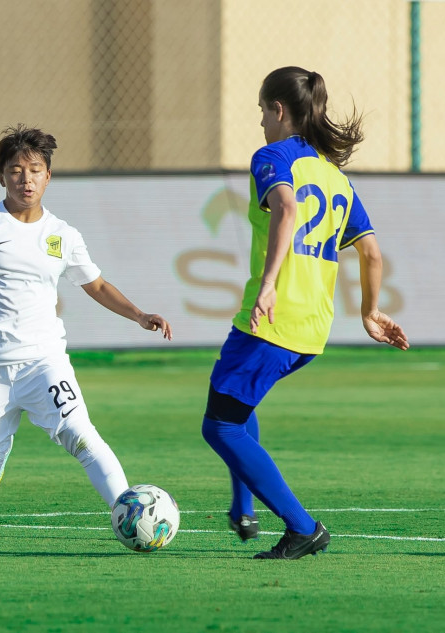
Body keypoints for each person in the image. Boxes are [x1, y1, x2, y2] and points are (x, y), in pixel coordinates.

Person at [0, 124, 172, 511]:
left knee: (82, 436)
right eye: (15, 170)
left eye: (34, 170)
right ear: (2, 177)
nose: (25, 179)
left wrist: (139, 315)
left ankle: (130, 512)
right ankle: (1, 440)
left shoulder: (62, 235)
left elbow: (95, 285)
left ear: (48, 176)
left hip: (42, 362)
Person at [201, 67, 409, 559]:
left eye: (261, 112)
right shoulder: (336, 177)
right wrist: (370, 311)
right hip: (314, 325)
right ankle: (243, 508)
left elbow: (288, 209)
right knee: (233, 404)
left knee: (220, 425)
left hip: (276, 315)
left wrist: (269, 285)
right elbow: (372, 252)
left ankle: (302, 527)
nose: (260, 124)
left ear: (278, 110)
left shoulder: (273, 156)